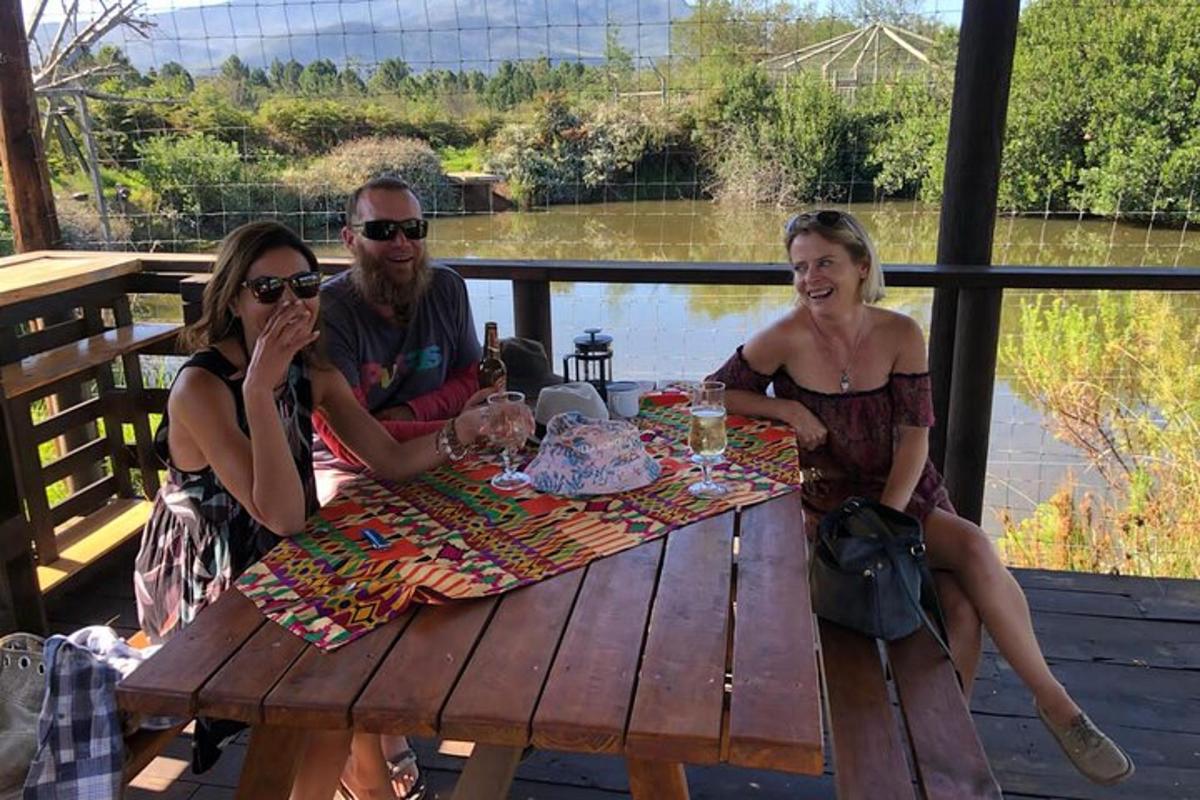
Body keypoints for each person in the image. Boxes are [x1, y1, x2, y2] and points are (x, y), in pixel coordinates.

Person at [706, 209, 1134, 787]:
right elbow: (714, 394)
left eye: (825, 263)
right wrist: (785, 408)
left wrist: (888, 518)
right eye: (800, 267)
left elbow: (915, 438)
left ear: (862, 266)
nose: (811, 279)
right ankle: (964, 738)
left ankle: (1020, 716)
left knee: (965, 585)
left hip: (905, 496)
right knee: (963, 590)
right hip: (833, 513)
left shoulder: (900, 334)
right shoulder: (784, 336)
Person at [133, 220, 524, 800]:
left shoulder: (312, 371)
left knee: (411, 595)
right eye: (269, 290)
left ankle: (371, 774)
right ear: (234, 299)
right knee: (338, 675)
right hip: (209, 574)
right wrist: (258, 393)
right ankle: (360, 779)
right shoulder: (203, 387)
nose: (291, 303)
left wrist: (463, 431)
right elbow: (280, 516)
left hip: (286, 554)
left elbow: (389, 458)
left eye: (305, 286)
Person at [313, 175, 499, 468]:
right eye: (382, 230)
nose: (401, 242)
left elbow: (473, 380)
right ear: (350, 240)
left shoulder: (447, 287)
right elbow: (352, 442)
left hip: (449, 446)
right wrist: (463, 428)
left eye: (413, 229)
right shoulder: (327, 312)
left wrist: (411, 412)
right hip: (360, 467)